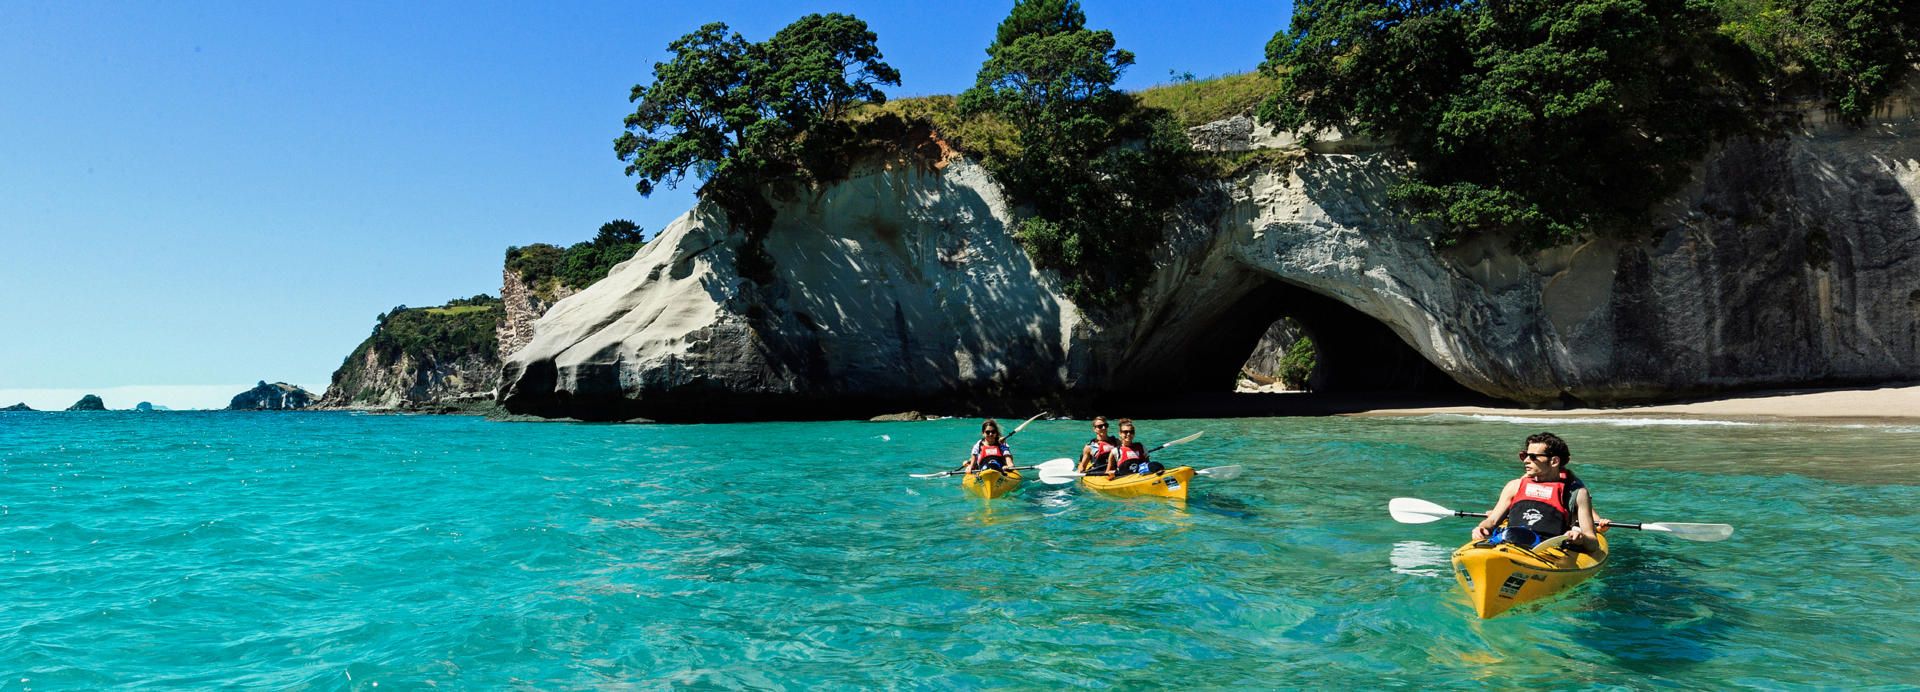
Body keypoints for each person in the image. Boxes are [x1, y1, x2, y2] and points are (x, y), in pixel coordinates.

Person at [1472, 432, 1603, 550]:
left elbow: (1593, 543)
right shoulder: (1514, 486)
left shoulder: (1577, 494)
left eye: (1533, 457)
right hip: (1509, 542)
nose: (1526, 460)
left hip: (1548, 550)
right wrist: (1482, 527)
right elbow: (1492, 521)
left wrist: (1581, 538)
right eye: (1524, 455)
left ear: (1554, 461)